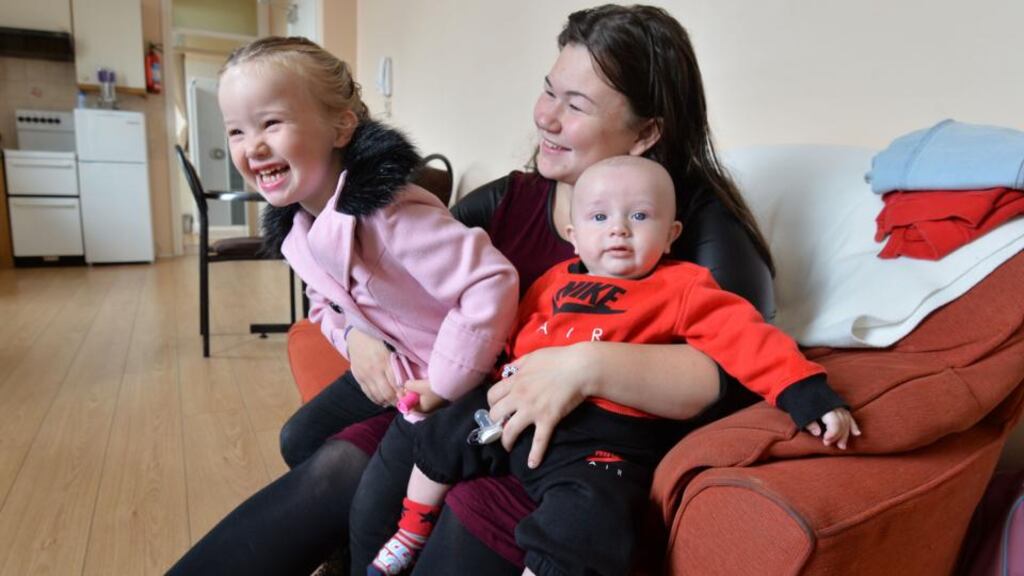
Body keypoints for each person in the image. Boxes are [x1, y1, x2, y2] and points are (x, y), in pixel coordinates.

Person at [169, 5, 793, 575]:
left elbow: (733, 375)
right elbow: (394, 277)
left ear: (647, 131)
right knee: (314, 448)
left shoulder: (696, 228)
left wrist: (585, 365)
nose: (546, 115)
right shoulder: (508, 199)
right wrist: (359, 337)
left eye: (575, 104)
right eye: (548, 90)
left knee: (388, 479)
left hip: (559, 450)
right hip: (455, 397)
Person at [368, 156, 860, 575]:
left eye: (640, 216)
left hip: (601, 443)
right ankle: (411, 529)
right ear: (573, 235)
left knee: (595, 514)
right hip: (517, 411)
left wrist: (806, 394)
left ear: (671, 235)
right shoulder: (551, 281)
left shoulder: (685, 287)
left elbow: (747, 340)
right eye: (600, 218)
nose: (619, 229)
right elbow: (504, 337)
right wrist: (453, 380)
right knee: (439, 432)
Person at [166, 36, 520, 574]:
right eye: (237, 130)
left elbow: (492, 283)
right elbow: (322, 302)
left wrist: (443, 385)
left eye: (271, 123)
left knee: (370, 509)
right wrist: (357, 338)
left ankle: (370, 550)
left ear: (342, 126)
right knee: (299, 435)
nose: (251, 146)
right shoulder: (301, 223)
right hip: (395, 360)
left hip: (455, 379)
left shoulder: (394, 216)